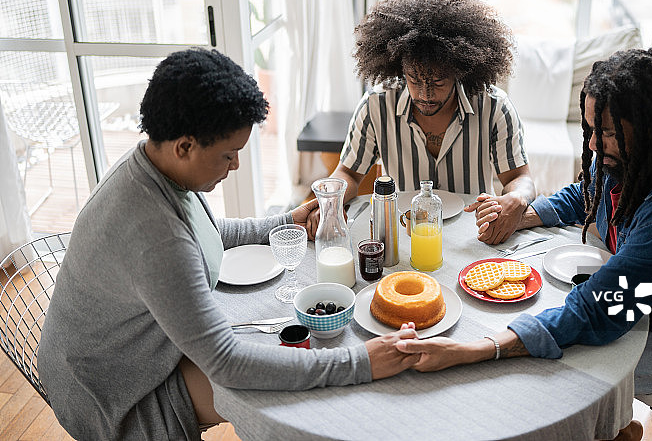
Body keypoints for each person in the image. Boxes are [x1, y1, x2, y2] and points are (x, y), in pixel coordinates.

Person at [38, 48, 420, 441]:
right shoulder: (154, 234)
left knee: (273, 350)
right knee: (276, 391)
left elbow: (206, 231)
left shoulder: (153, 165)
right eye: (228, 154)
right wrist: (359, 362)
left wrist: (285, 221)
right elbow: (225, 361)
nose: (235, 165)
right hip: (113, 394)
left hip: (125, 353)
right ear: (184, 146)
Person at [395, 48, 652, 441]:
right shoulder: (635, 155)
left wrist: (475, 350)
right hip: (636, 306)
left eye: (607, 133)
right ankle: (618, 431)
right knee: (542, 332)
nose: (593, 145)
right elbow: (585, 192)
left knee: (547, 372)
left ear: (648, 125)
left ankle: (608, 431)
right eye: (590, 129)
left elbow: (599, 309)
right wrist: (522, 215)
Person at [312, 0, 535, 244]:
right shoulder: (376, 105)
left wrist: (517, 198)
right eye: (414, 80)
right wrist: (328, 202)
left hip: (473, 235)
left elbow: (519, 177)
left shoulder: (494, 106)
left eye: (439, 82)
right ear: (399, 70)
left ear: (460, 71)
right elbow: (348, 173)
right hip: (403, 233)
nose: (425, 94)